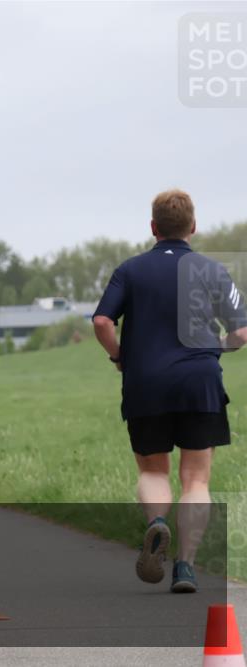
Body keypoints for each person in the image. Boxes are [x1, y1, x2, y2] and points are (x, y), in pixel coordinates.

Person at [93, 189, 247, 593]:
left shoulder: (130, 270)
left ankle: (157, 524)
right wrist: (218, 348)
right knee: (196, 479)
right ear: (193, 227)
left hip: (146, 383)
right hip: (199, 381)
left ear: (153, 227)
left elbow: (102, 322)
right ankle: (186, 567)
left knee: (152, 470)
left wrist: (119, 357)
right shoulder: (213, 271)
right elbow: (242, 331)